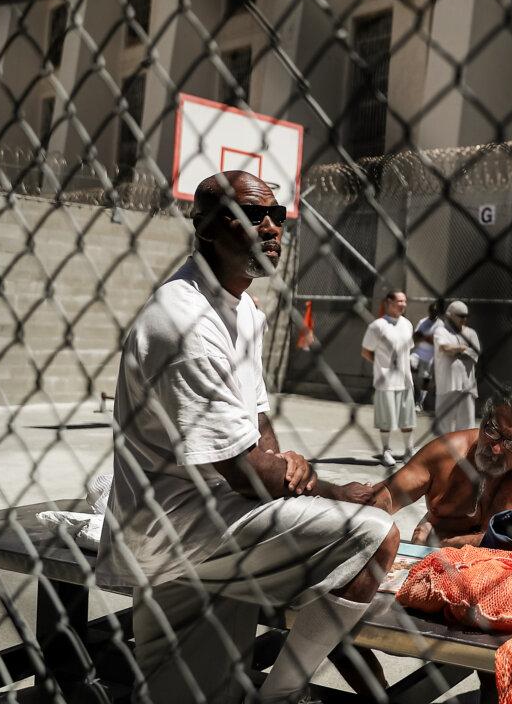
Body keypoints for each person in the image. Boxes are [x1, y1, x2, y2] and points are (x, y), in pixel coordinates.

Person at [96, 170, 399, 704]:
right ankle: (281, 694)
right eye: (252, 215)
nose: (270, 229)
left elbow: (259, 431)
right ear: (209, 227)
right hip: (178, 529)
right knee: (372, 532)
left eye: (277, 217)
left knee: (192, 694)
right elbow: (247, 472)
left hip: (214, 518)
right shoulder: (183, 323)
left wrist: (282, 466)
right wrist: (326, 489)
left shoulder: (245, 314)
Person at [368, 388, 512, 547]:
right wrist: (365, 502)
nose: (496, 448)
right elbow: (389, 496)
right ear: (482, 421)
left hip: (497, 574)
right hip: (430, 562)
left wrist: (448, 544)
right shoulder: (447, 452)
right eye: (492, 430)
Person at [361, 290, 416, 467]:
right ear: (389, 302)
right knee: (386, 420)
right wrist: (382, 367)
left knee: (408, 419)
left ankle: (409, 451)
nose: (403, 304)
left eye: (405, 301)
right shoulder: (377, 326)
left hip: (406, 380)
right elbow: (366, 351)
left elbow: (409, 350)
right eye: (400, 301)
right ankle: (386, 450)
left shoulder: (407, 324)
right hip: (385, 382)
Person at [432, 300, 481, 435]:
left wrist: (456, 350)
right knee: (444, 426)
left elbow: (475, 353)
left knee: (466, 426)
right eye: (460, 315)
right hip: (446, 385)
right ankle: (443, 455)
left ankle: (464, 455)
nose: (464, 319)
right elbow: (445, 348)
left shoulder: (471, 333)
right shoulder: (441, 331)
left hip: (467, 386)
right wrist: (464, 349)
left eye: (466, 316)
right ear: (449, 315)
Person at [411, 300, 443, 411]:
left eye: (435, 311)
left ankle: (419, 403)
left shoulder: (440, 325)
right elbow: (415, 337)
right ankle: (412, 397)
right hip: (418, 352)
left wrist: (423, 337)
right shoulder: (422, 322)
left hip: (430, 355)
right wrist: (427, 338)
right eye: (431, 311)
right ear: (429, 311)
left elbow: (437, 341)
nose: (433, 313)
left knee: (425, 379)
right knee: (411, 369)